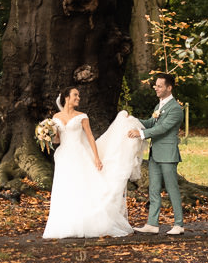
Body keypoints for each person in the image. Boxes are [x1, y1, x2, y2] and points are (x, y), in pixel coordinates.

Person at [41, 86, 144, 239]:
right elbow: (57, 139)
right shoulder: (56, 117)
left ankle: (86, 222)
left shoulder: (82, 116)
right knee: (65, 187)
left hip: (79, 154)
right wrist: (47, 135)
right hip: (63, 156)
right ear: (66, 97)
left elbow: (90, 137)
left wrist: (96, 158)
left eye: (79, 95)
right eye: (75, 95)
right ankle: (66, 224)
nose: (78, 98)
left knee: (82, 186)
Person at [127, 72, 185, 235]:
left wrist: (140, 134)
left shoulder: (175, 109)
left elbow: (162, 128)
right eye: (156, 85)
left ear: (169, 87)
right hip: (155, 154)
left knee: (172, 189)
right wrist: (132, 120)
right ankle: (152, 224)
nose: (156, 88)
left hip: (167, 154)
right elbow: (151, 123)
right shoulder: (159, 106)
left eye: (159, 86)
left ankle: (178, 224)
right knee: (153, 189)